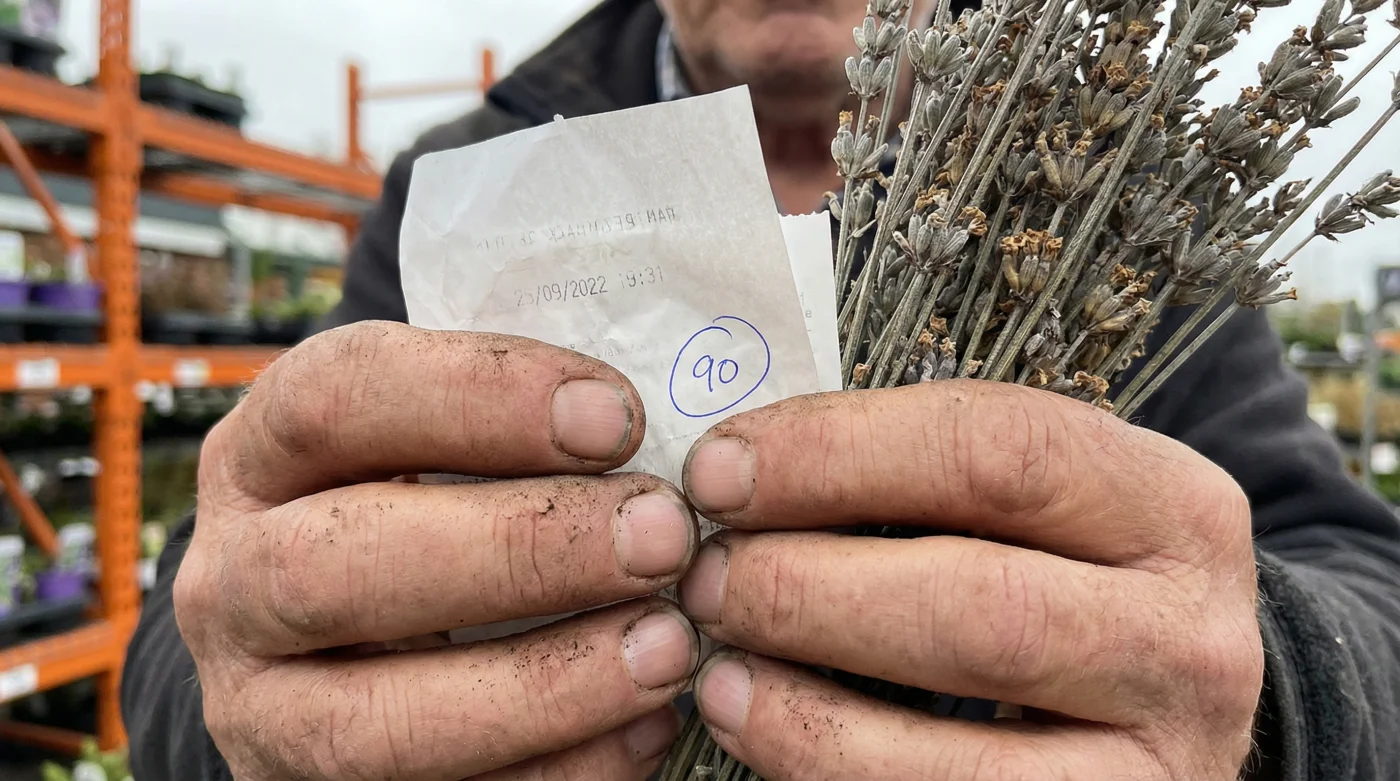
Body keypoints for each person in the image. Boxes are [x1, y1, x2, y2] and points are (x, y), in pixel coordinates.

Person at [122, 0, 1400, 779]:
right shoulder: (466, 180)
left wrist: (1273, 705)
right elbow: (203, 617)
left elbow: (1358, 581)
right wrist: (254, 703)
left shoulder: (1112, 193)